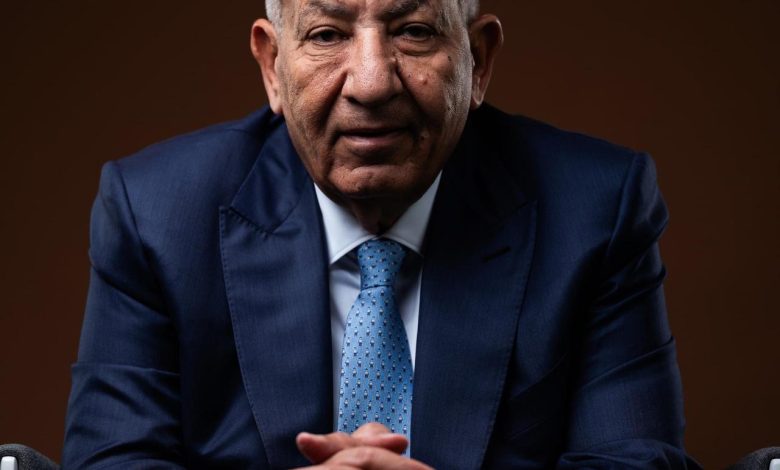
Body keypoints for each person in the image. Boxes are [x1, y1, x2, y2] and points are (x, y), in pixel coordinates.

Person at [63, 0, 699, 468]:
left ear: (478, 60)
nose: (370, 83)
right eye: (327, 34)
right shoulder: (156, 214)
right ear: (272, 65)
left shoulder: (595, 210)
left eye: (415, 32)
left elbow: (633, 460)